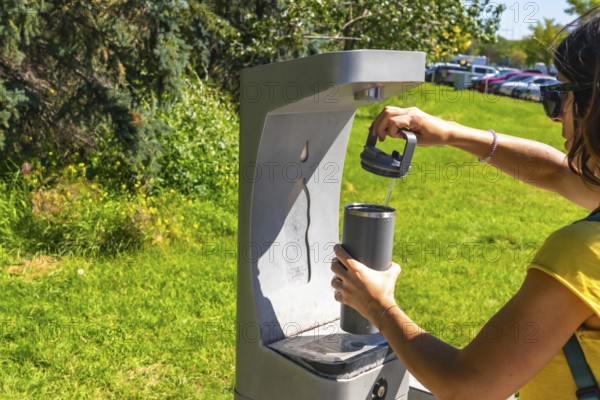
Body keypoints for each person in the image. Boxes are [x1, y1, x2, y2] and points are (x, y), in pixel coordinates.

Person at [331, 11, 600, 400]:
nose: (555, 114)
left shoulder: (579, 254)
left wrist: (379, 306)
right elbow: (558, 174)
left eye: (558, 96)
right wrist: (454, 134)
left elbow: (467, 386)